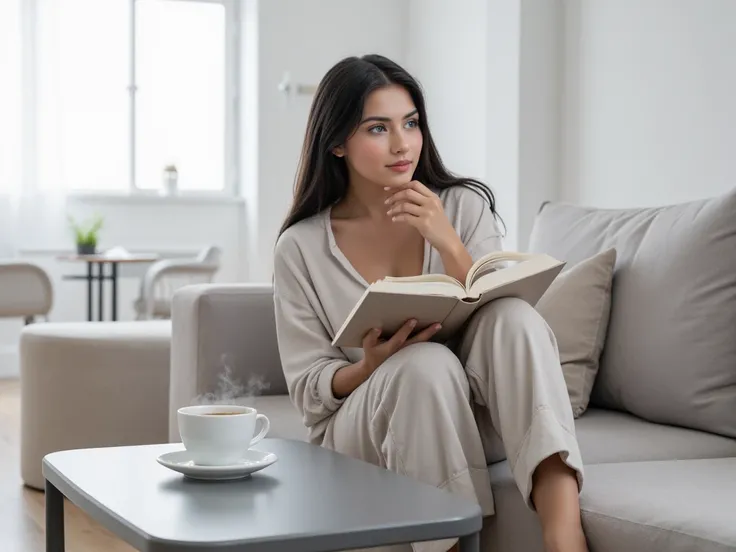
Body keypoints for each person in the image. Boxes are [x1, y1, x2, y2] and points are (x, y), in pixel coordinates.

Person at [272, 54, 588, 552]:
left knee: (514, 317)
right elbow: (309, 390)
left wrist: (448, 243)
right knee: (424, 363)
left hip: (471, 412)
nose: (402, 145)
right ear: (336, 143)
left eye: (411, 123)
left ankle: (564, 535)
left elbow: (494, 308)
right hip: (364, 426)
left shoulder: (460, 206)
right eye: (378, 128)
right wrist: (369, 366)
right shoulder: (301, 247)